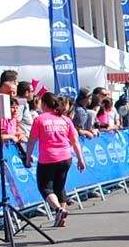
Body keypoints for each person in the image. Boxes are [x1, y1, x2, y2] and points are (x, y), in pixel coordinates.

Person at [26, 93, 85, 227]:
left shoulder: (39, 119)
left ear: (45, 104)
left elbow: (31, 140)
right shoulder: (65, 120)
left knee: (45, 187)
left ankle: (58, 210)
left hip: (48, 158)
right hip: (65, 157)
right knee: (60, 187)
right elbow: (75, 141)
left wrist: (28, 155)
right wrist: (80, 159)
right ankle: (61, 217)